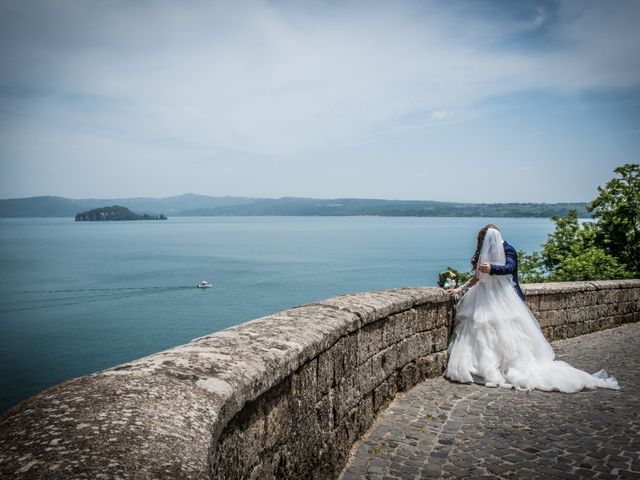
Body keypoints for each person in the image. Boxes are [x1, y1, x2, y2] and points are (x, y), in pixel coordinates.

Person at [443, 225, 619, 393]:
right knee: (479, 331)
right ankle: (481, 366)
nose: (483, 244)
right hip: (481, 297)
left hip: (502, 298)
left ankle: (504, 366)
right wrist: (460, 289)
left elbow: (510, 268)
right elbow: (477, 277)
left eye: (484, 240)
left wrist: (492, 268)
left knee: (506, 332)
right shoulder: (485, 253)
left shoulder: (509, 249)